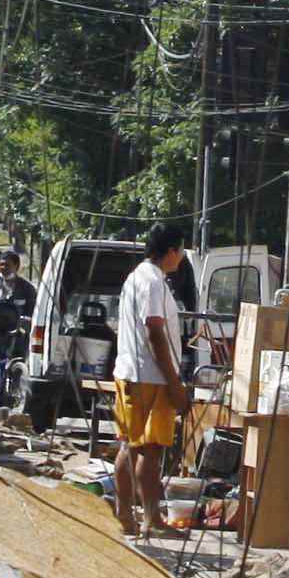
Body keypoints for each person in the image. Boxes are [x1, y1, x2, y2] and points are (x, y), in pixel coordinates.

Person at [109, 226, 192, 533]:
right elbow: (155, 331)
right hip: (151, 377)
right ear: (171, 251)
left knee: (131, 446)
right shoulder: (154, 282)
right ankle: (144, 518)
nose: (181, 258)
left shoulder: (135, 278)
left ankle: (132, 517)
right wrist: (174, 384)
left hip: (131, 372)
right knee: (148, 449)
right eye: (180, 251)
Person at [0, 247, 36, 397]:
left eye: (7, 265)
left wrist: (25, 323)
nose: (4, 268)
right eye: (2, 264)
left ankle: (17, 392)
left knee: (18, 371)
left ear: (16, 266)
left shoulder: (27, 289)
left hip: (19, 340)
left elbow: (33, 313)